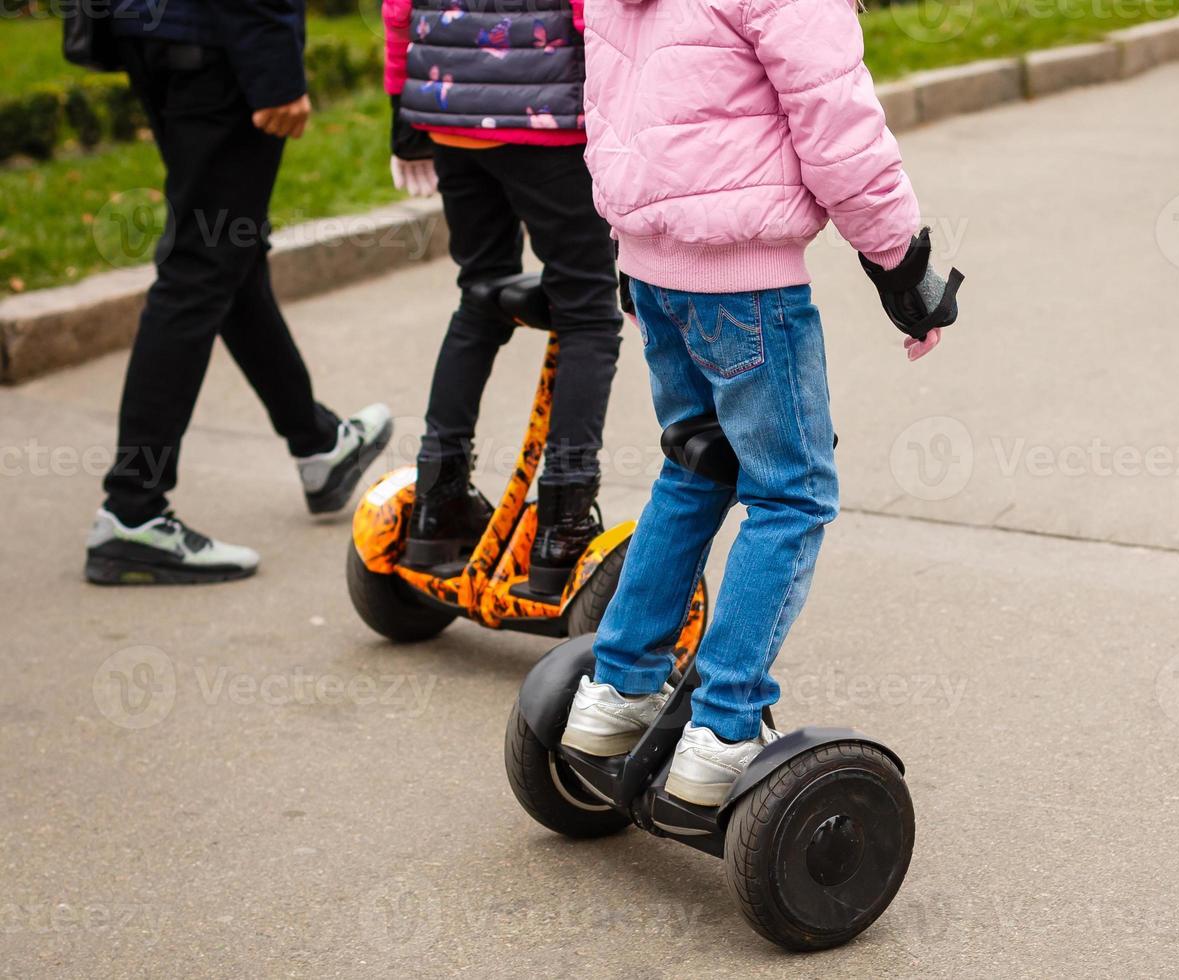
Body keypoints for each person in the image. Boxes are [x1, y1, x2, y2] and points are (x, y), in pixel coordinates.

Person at [557, 0, 959, 805]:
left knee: (695, 466)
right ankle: (724, 727)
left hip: (652, 263)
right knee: (789, 493)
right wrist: (899, 264)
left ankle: (618, 690)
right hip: (744, 280)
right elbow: (835, 120)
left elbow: (612, 104)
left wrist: (628, 253)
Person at [84, 0, 391, 586]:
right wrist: (274, 66)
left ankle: (318, 445)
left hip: (153, 30)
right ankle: (132, 509)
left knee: (229, 253)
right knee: (201, 264)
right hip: (219, 40)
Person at [381, 0, 623, 596]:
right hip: (549, 119)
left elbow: (397, 10)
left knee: (480, 292)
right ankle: (561, 525)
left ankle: (437, 505)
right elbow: (600, 18)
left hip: (449, 111)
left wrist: (402, 113)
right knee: (589, 309)